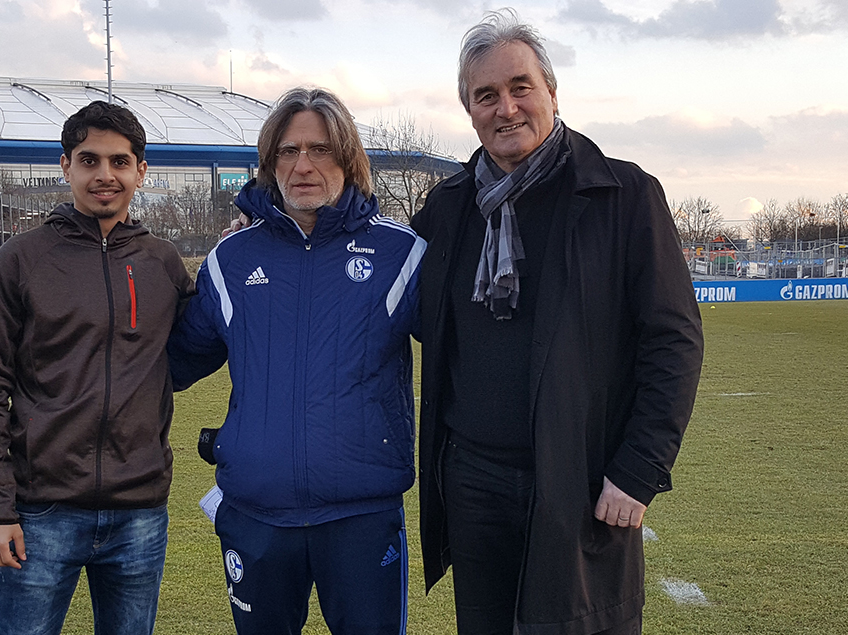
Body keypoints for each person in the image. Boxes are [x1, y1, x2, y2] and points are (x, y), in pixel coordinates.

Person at [410, 10, 704, 635]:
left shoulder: (623, 196)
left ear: (551, 92)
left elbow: (673, 341)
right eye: (485, 95)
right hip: (473, 483)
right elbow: (405, 309)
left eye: (520, 88)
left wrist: (638, 471)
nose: (506, 108)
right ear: (469, 111)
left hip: (582, 481)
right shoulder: (449, 207)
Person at [167, 87, 426, 635]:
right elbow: (169, 362)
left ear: (349, 158)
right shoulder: (231, 260)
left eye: (321, 149)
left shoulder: (401, 254)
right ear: (269, 162)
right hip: (257, 518)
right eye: (288, 151)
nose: (303, 165)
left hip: (361, 517)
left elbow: (472, 353)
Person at [0, 101, 193, 635]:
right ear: (65, 166)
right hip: (41, 514)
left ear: (141, 171)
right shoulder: (21, 259)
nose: (105, 175)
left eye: (119, 161)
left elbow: (194, 347)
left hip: (140, 512)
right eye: (89, 161)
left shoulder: (162, 262)